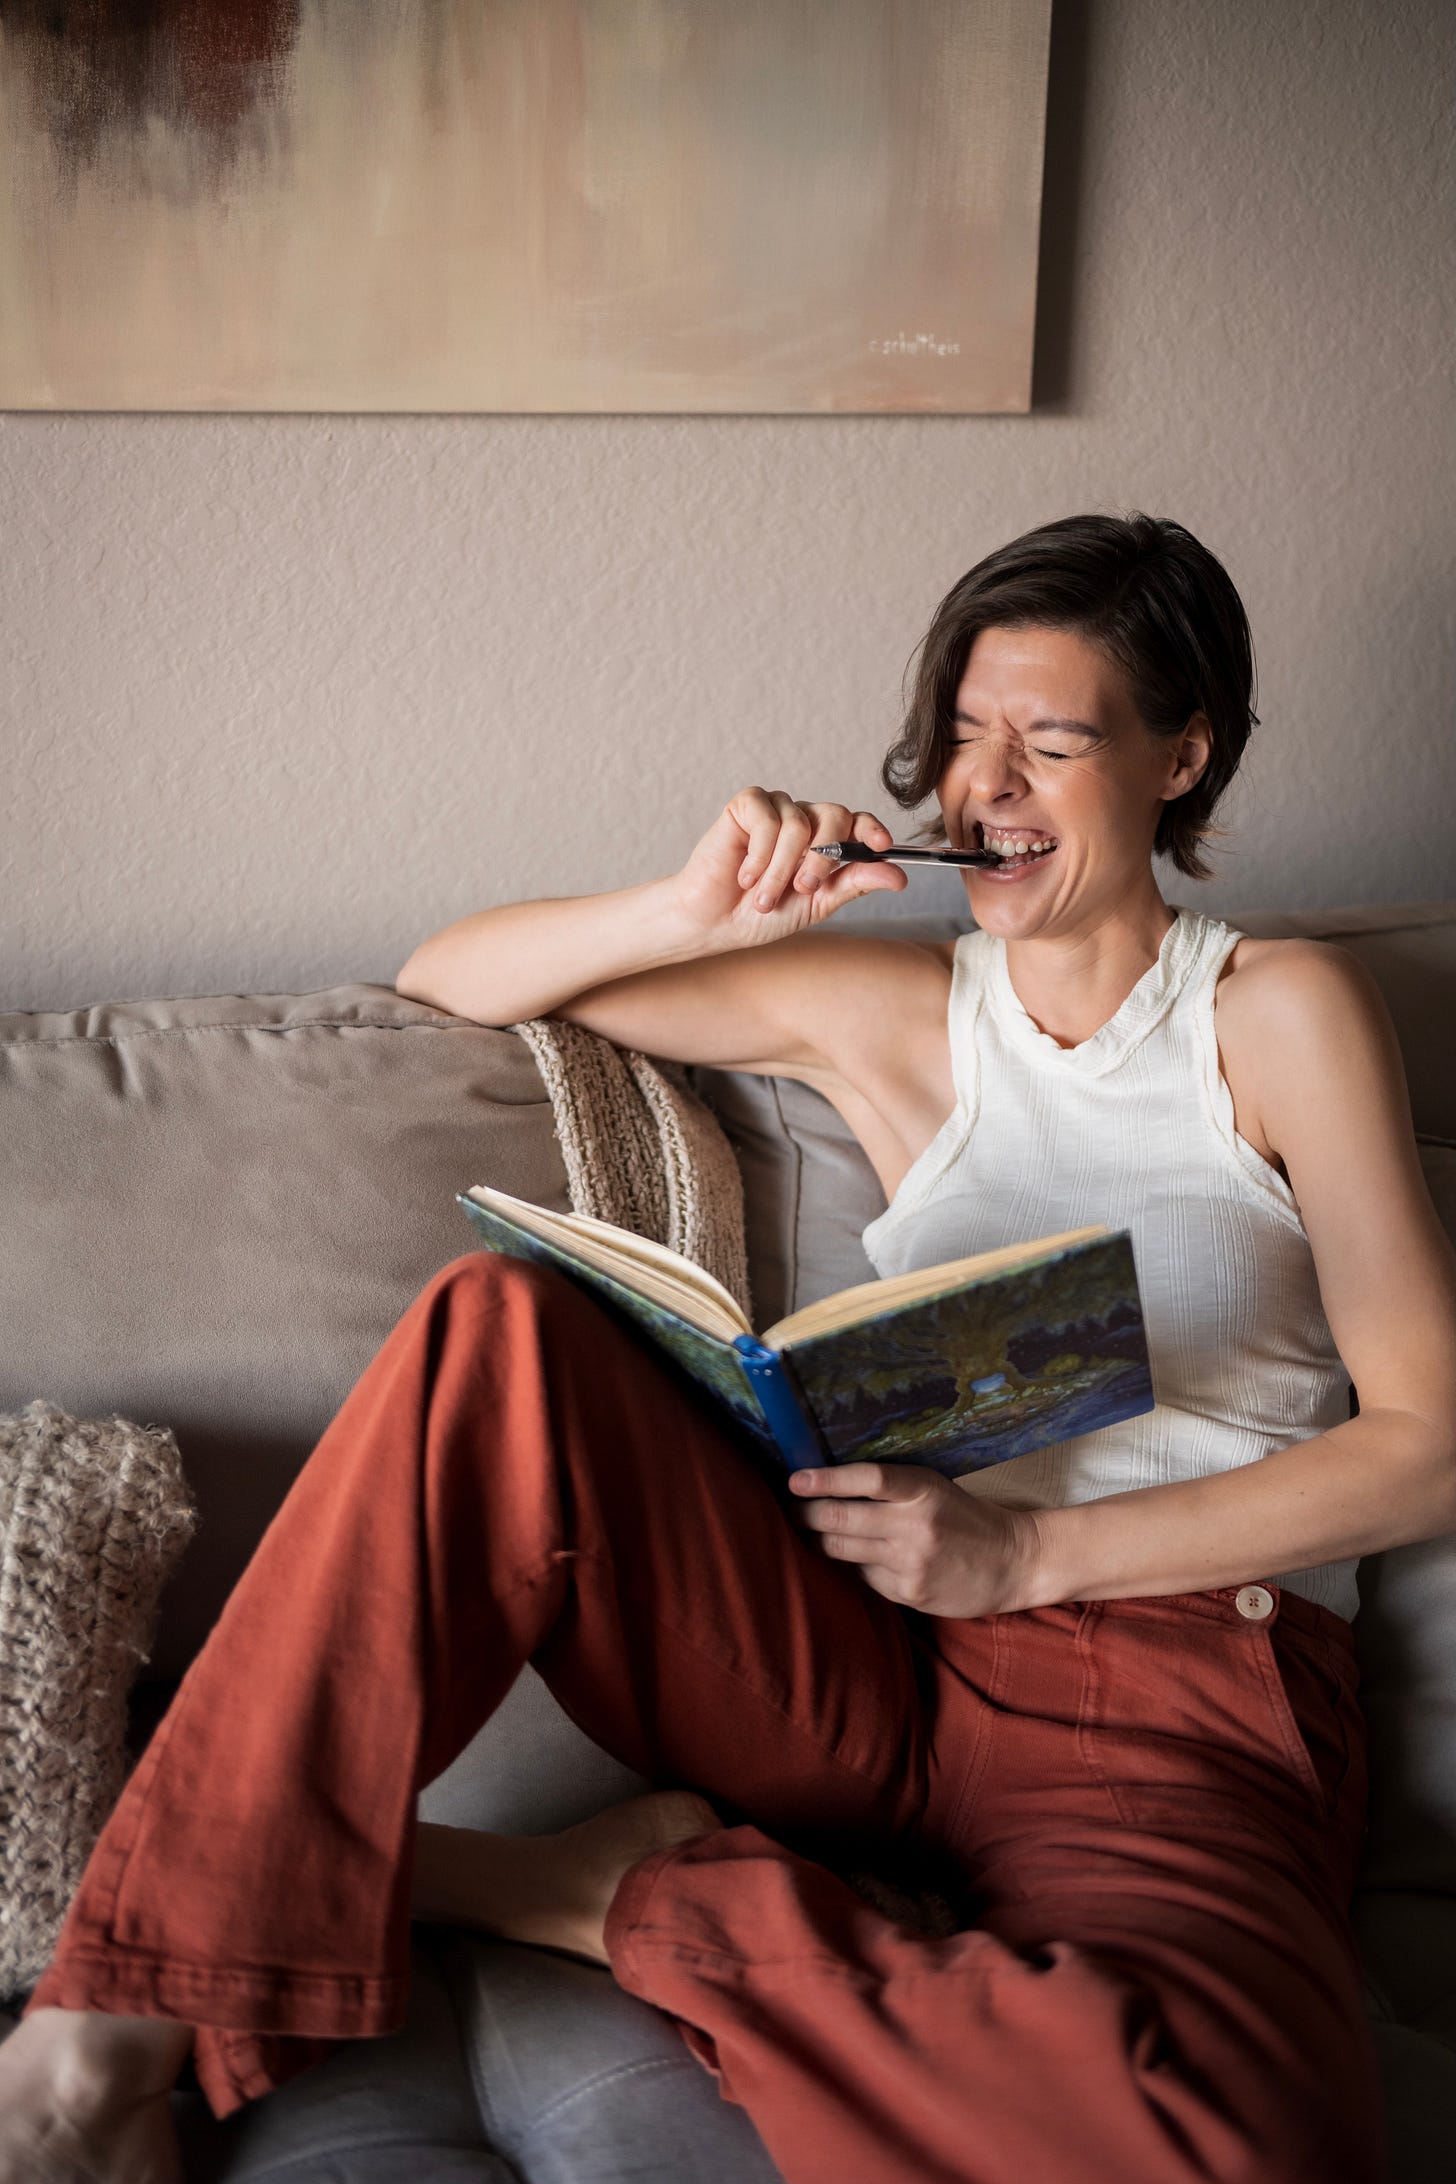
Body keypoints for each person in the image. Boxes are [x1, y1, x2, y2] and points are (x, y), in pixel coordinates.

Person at [3, 512, 1453, 2184]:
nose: (989, 788)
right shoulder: (892, 1011)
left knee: (1238, 2145)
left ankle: (592, 1893)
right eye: (968, 737)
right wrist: (694, 904)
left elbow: (1426, 1442)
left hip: (1175, 1696)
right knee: (502, 1334)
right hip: (865, 1663)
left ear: (1180, 758)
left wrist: (1036, 1554)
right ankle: (89, 2049)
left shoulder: (1279, 1014)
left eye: (1052, 745)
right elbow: (449, 986)